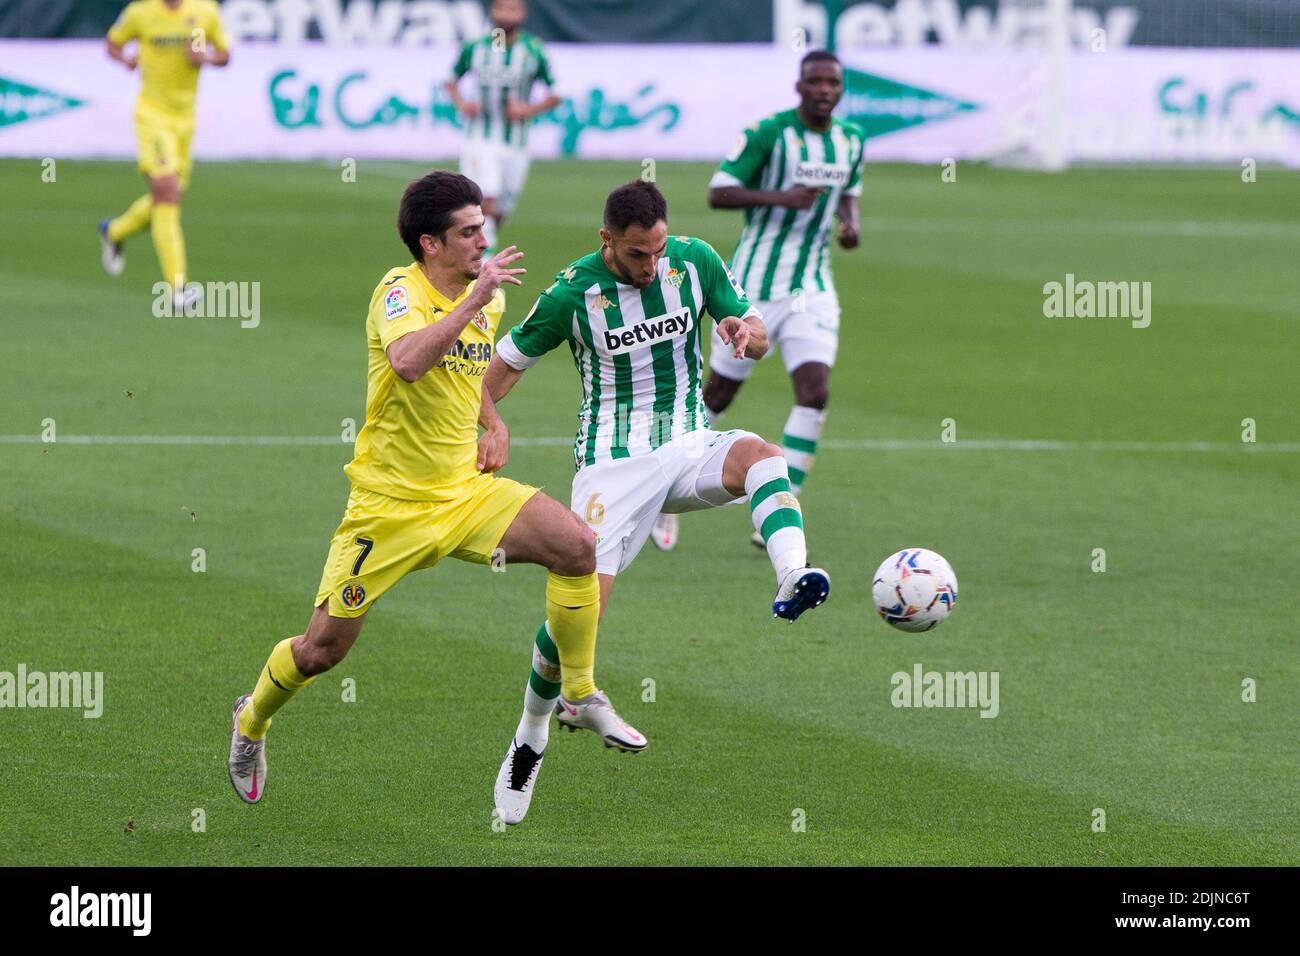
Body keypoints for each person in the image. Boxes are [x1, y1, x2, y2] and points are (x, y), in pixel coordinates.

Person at [226, 172, 601, 830]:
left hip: (462, 493)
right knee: (321, 652)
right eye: (468, 231)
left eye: (483, 225)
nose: (484, 238)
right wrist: (473, 300)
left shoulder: (486, 300)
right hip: (388, 508)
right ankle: (251, 718)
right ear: (431, 244)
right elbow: (408, 362)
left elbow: (468, 370)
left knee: (577, 547)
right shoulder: (398, 293)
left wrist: (493, 420)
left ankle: (569, 698)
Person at [482, 180, 832, 823]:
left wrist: (742, 334)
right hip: (609, 469)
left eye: (658, 251)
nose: (652, 266)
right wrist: (489, 422)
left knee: (761, 454)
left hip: (688, 442)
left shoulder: (693, 260)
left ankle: (792, 576)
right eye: (639, 255)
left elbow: (755, 332)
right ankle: (531, 729)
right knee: (576, 625)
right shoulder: (570, 294)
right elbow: (495, 373)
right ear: (607, 242)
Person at [651, 50, 865, 552]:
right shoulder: (770, 133)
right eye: (815, 82)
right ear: (800, 87)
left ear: (840, 88)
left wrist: (851, 224)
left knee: (814, 391)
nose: (824, 90)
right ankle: (663, 494)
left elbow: (849, 190)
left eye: (833, 82)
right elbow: (719, 191)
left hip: (812, 289)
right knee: (717, 396)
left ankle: (782, 501)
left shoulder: (852, 140)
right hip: (750, 289)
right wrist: (782, 198)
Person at [100, 0, 231, 309]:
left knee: (167, 199)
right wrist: (126, 60)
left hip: (185, 121)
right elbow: (112, 44)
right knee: (167, 191)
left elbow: (224, 54)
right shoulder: (141, 14)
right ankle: (178, 287)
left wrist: (206, 59)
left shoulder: (203, 12)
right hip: (151, 116)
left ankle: (113, 231)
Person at [445, 0, 561, 253]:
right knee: (486, 197)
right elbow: (450, 81)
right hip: (480, 139)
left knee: (501, 209)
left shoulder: (532, 50)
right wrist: (463, 104)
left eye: (513, 9)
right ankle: (484, 263)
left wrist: (528, 110)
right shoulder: (475, 48)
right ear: (492, 11)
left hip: (516, 143)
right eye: (501, 8)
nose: (506, 14)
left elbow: (557, 93)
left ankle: (481, 248)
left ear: (523, 14)